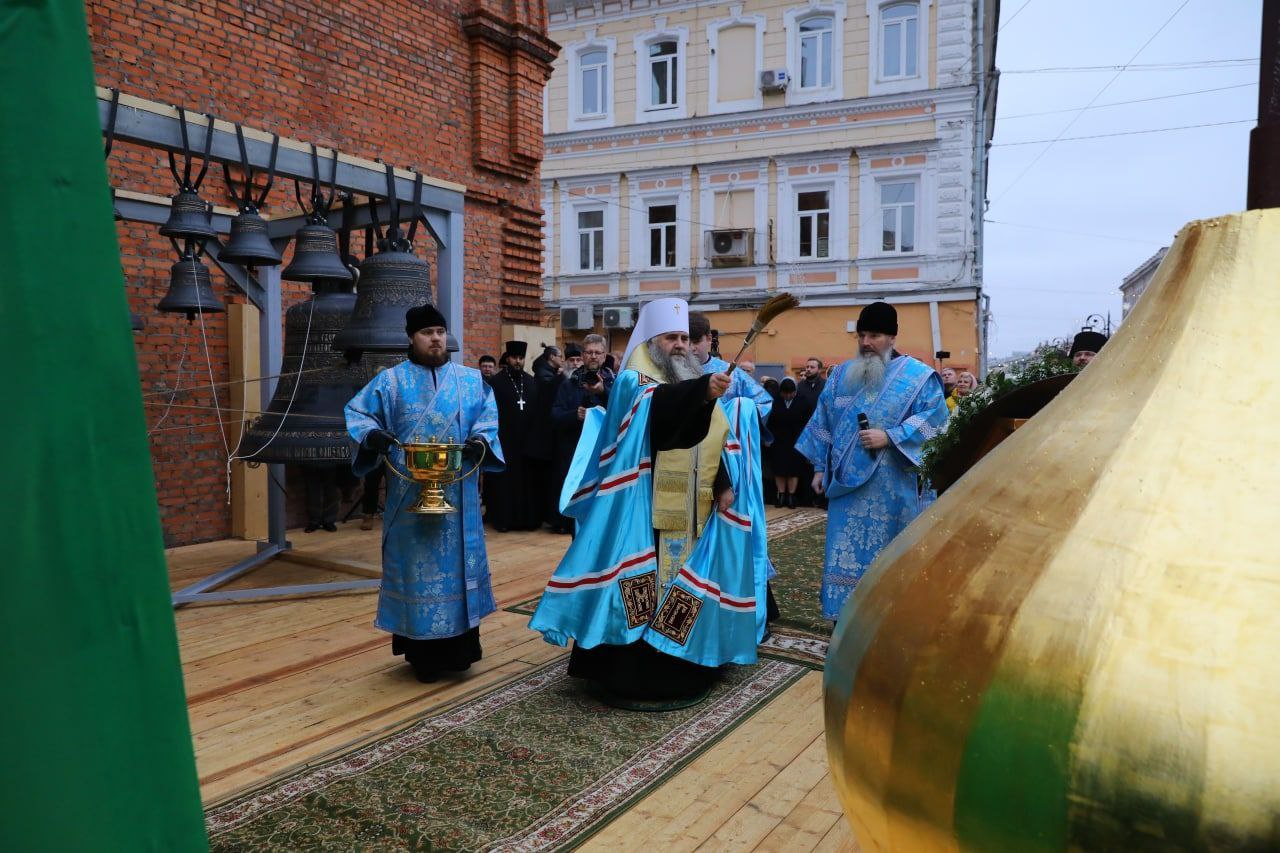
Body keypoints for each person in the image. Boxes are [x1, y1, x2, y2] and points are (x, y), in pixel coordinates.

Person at [530, 298, 769, 707]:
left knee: (685, 587)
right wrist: (700, 393)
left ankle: (688, 669)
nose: (679, 345)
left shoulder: (690, 376)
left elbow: (714, 433)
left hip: (693, 507)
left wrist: (725, 481)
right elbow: (656, 416)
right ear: (652, 340)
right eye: (670, 337)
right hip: (641, 512)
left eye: (682, 337)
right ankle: (631, 676)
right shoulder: (632, 380)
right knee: (641, 592)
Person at [344, 304, 503, 683]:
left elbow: (488, 416)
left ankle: (461, 653)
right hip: (409, 502)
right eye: (427, 332)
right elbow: (358, 413)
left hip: (459, 501)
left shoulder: (469, 381)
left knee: (456, 575)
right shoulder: (390, 382)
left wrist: (481, 440)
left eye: (439, 331)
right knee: (420, 576)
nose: (436, 338)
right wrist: (372, 436)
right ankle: (424, 658)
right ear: (411, 338)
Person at [796, 301, 950, 622]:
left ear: (892, 337)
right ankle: (845, 623)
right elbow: (823, 422)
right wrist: (819, 468)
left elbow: (936, 420)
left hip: (892, 488)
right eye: (861, 335)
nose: (866, 343)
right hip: (846, 492)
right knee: (845, 556)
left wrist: (891, 436)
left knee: (889, 559)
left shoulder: (918, 377)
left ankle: (885, 624)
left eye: (875, 335)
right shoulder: (839, 377)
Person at [550, 335, 614, 535]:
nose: (593, 356)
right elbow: (555, 415)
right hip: (575, 456)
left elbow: (625, 412)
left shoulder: (616, 383)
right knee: (578, 511)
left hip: (606, 457)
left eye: (597, 352)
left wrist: (604, 392)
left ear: (604, 356)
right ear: (583, 355)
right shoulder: (569, 384)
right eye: (589, 352)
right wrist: (574, 415)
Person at [484, 340, 542, 532]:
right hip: (505, 442)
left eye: (521, 358)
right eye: (514, 358)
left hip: (527, 441)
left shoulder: (531, 382)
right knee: (505, 483)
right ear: (507, 358)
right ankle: (504, 520)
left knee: (527, 483)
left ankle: (528, 520)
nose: (518, 361)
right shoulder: (496, 383)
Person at [689, 312, 773, 420]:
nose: (691, 348)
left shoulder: (733, 373)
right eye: (686, 341)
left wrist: (737, 421)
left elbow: (764, 402)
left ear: (709, 339)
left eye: (696, 342)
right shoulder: (668, 372)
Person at [527, 345, 567, 530]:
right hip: (545, 435)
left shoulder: (548, 372)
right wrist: (560, 377)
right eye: (561, 356)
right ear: (552, 357)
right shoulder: (545, 375)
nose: (563, 360)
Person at [767, 378, 813, 508]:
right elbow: (769, 421)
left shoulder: (803, 401)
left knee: (794, 469)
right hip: (778, 440)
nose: (787, 396)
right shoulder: (773, 400)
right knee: (779, 468)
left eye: (790, 393)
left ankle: (791, 495)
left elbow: (808, 422)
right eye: (784, 393)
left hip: (796, 440)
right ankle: (781, 495)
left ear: (795, 392)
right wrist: (768, 438)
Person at [301, 464, 341, 532]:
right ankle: (314, 521)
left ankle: (329, 521)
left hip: (331, 457)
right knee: (312, 489)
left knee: (331, 489)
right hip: (309, 458)